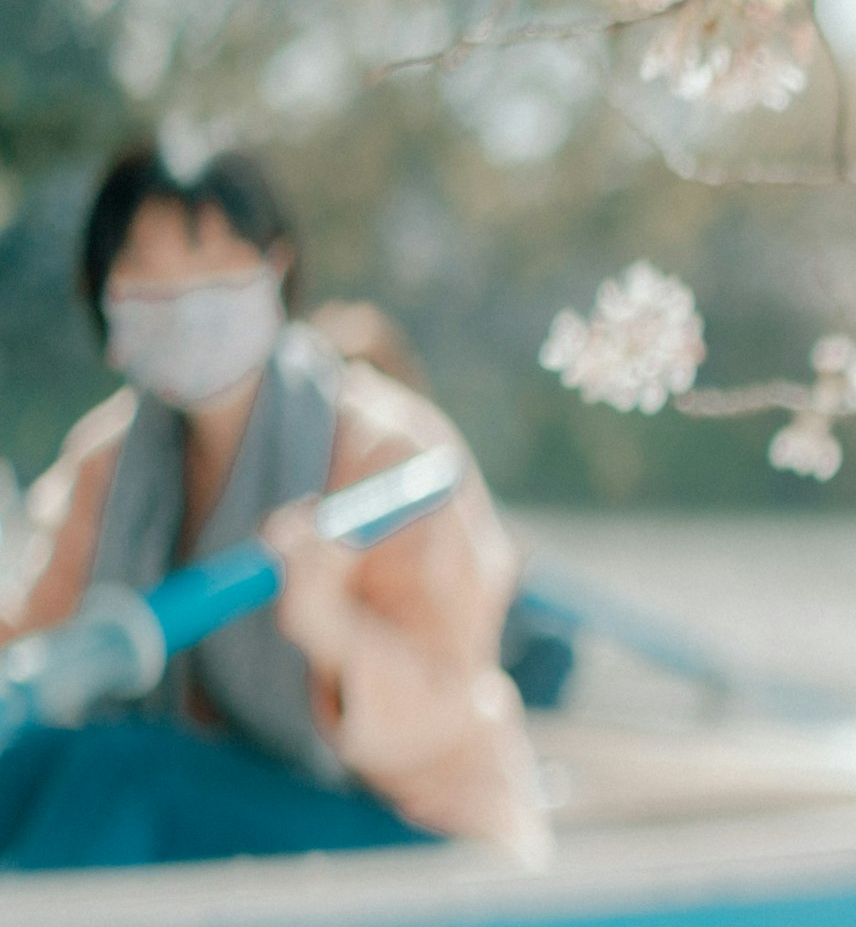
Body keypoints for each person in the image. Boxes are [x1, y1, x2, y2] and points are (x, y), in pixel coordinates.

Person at [0, 142, 546, 868]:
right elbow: (34, 635)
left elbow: (449, 705)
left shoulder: (387, 452)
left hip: (413, 831)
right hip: (226, 800)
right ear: (105, 288)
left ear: (275, 270)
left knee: (125, 776)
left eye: (215, 264)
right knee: (33, 760)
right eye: (149, 268)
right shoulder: (108, 458)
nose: (184, 298)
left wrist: (333, 630)